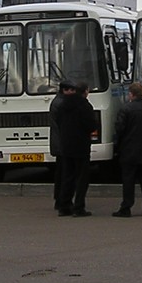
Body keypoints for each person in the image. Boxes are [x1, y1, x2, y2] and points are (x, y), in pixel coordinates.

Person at [112, 81, 142, 217]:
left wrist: (119, 145)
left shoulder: (125, 109)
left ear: (131, 94)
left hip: (129, 150)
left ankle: (126, 207)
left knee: (128, 181)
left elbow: (119, 129)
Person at [56, 79, 95, 217]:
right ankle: (79, 207)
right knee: (82, 178)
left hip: (66, 145)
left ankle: (64, 206)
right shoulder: (85, 106)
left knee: (67, 176)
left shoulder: (62, 105)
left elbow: (58, 121)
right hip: (81, 145)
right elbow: (91, 125)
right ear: (85, 92)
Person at [48, 79, 77, 216]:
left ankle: (59, 199)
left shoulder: (57, 102)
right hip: (63, 143)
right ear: (64, 90)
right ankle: (62, 201)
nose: (72, 93)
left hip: (59, 143)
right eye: (70, 90)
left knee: (61, 173)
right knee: (65, 174)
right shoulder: (62, 104)